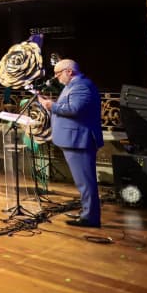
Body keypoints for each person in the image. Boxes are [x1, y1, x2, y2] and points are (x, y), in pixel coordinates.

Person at [39, 59, 103, 228]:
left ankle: (90, 217)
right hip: (74, 140)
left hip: (80, 141)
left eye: (58, 73)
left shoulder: (81, 85)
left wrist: (51, 106)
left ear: (69, 71)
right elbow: (68, 105)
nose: (56, 77)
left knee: (85, 182)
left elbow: (74, 110)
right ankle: (87, 213)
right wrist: (50, 104)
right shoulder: (73, 85)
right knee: (82, 181)